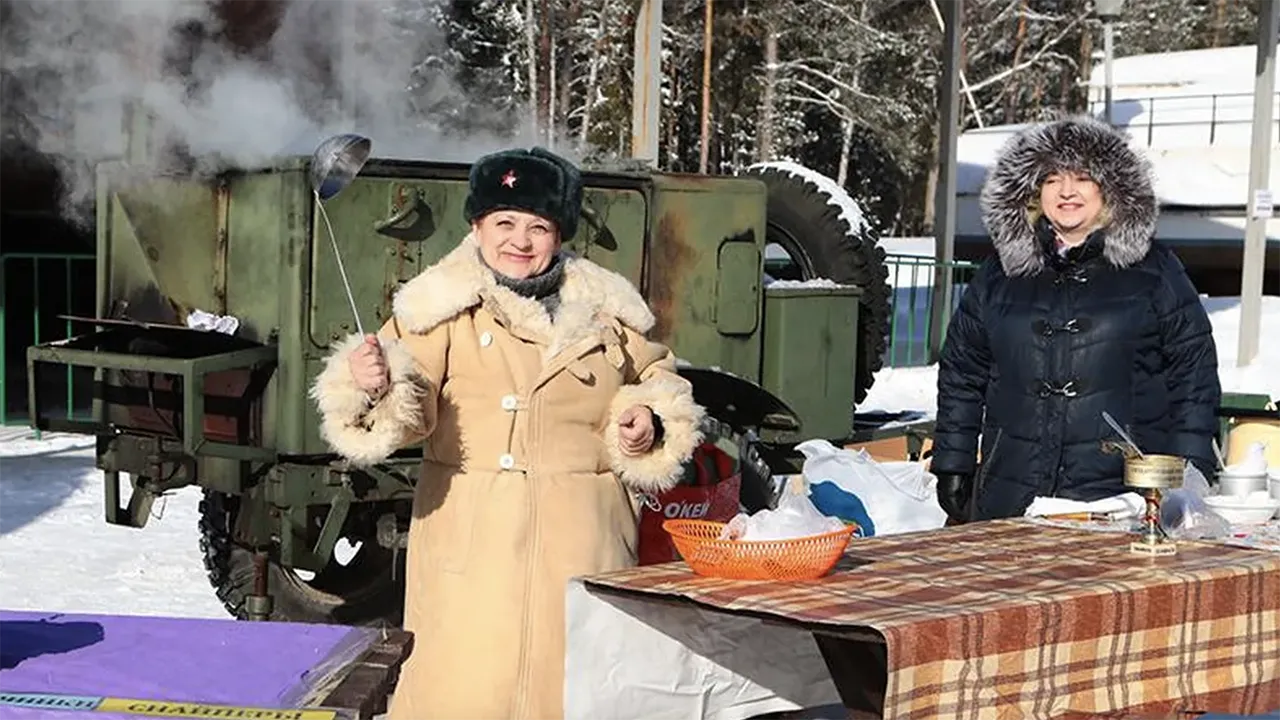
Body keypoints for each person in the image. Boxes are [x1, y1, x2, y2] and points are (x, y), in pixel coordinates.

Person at [309, 146, 705, 719]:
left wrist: (645, 419)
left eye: (537, 226)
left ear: (559, 233)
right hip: (474, 558)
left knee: (575, 697)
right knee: (466, 698)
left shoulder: (609, 312)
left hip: (585, 552)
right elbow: (410, 407)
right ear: (478, 226)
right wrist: (373, 382)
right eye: (504, 223)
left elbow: (656, 379)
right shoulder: (438, 310)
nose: (519, 240)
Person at [931, 116, 1221, 523]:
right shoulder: (999, 274)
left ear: (1110, 187)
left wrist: (1188, 475)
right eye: (1051, 179)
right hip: (1011, 496)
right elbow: (962, 372)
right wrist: (953, 461)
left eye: (1082, 177)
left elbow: (1194, 376)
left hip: (1120, 502)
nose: (1066, 191)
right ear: (1033, 191)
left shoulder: (1155, 271)